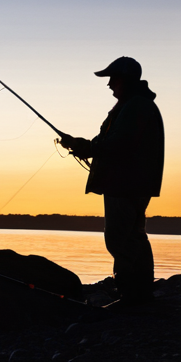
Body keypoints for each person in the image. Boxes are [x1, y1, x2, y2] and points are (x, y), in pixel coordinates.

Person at [60, 56, 164, 307]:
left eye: (113, 79)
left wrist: (86, 148)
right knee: (134, 236)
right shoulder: (131, 105)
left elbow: (120, 144)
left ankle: (132, 299)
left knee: (119, 239)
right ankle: (140, 296)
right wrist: (79, 144)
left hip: (126, 184)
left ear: (125, 80)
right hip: (132, 183)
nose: (109, 85)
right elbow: (106, 143)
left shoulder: (136, 106)